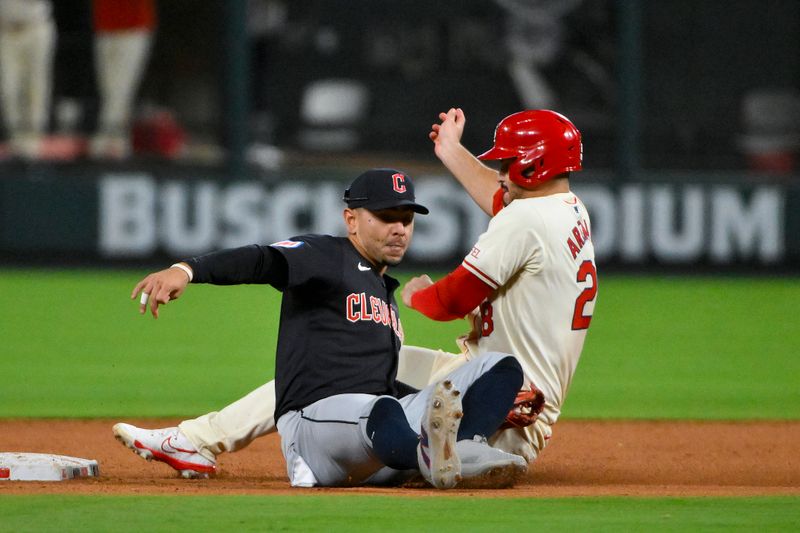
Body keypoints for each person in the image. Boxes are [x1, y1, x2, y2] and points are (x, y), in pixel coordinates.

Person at [113, 107, 595, 477]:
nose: (502, 174)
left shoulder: (523, 219)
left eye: (509, 164)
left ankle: (448, 458)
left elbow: (450, 301)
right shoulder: (566, 209)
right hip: (507, 386)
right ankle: (196, 439)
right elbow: (504, 198)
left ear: (534, 165)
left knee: (371, 393)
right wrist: (451, 151)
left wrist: (417, 296)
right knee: (349, 362)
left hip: (510, 407)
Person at [115, 168, 527, 489]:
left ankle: (462, 450)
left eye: (406, 218)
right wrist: (187, 269)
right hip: (313, 428)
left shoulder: (382, 290)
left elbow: (374, 383)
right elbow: (262, 260)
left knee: (499, 367)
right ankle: (435, 460)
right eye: (386, 216)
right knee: (381, 409)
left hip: (369, 430)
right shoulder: (324, 255)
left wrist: (461, 404)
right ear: (351, 219)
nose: (399, 228)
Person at [89, 0, 156, 160]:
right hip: (104, 25)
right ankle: (119, 142)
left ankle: (104, 139)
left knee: (120, 89)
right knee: (108, 90)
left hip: (134, 26)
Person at [0, 0, 56, 159]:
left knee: (36, 88)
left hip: (36, 27)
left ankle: (34, 141)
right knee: (8, 88)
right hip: (6, 31)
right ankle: (15, 139)